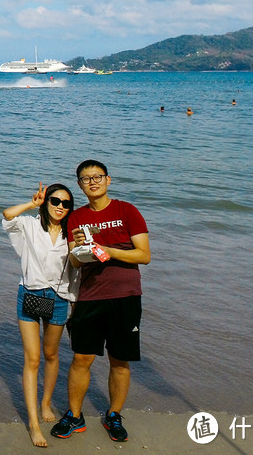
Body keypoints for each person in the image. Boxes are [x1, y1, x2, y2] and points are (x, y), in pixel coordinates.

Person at [51, 159, 150, 443]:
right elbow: (73, 261)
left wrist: (109, 250)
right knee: (81, 358)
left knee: (120, 360)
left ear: (109, 180)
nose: (92, 182)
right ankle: (74, 415)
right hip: (90, 296)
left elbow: (144, 255)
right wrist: (82, 248)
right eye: (85, 179)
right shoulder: (77, 218)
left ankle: (114, 415)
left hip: (125, 295)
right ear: (80, 185)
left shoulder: (127, 211)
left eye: (97, 177)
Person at [2, 183, 79, 448]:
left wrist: (76, 304)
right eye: (55, 200)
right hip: (30, 294)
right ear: (46, 202)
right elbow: (7, 215)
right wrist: (31, 204)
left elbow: (77, 272)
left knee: (51, 355)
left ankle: (46, 401)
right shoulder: (30, 226)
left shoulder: (73, 233)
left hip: (59, 299)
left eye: (66, 203)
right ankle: (34, 424)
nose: (60, 206)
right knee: (32, 359)